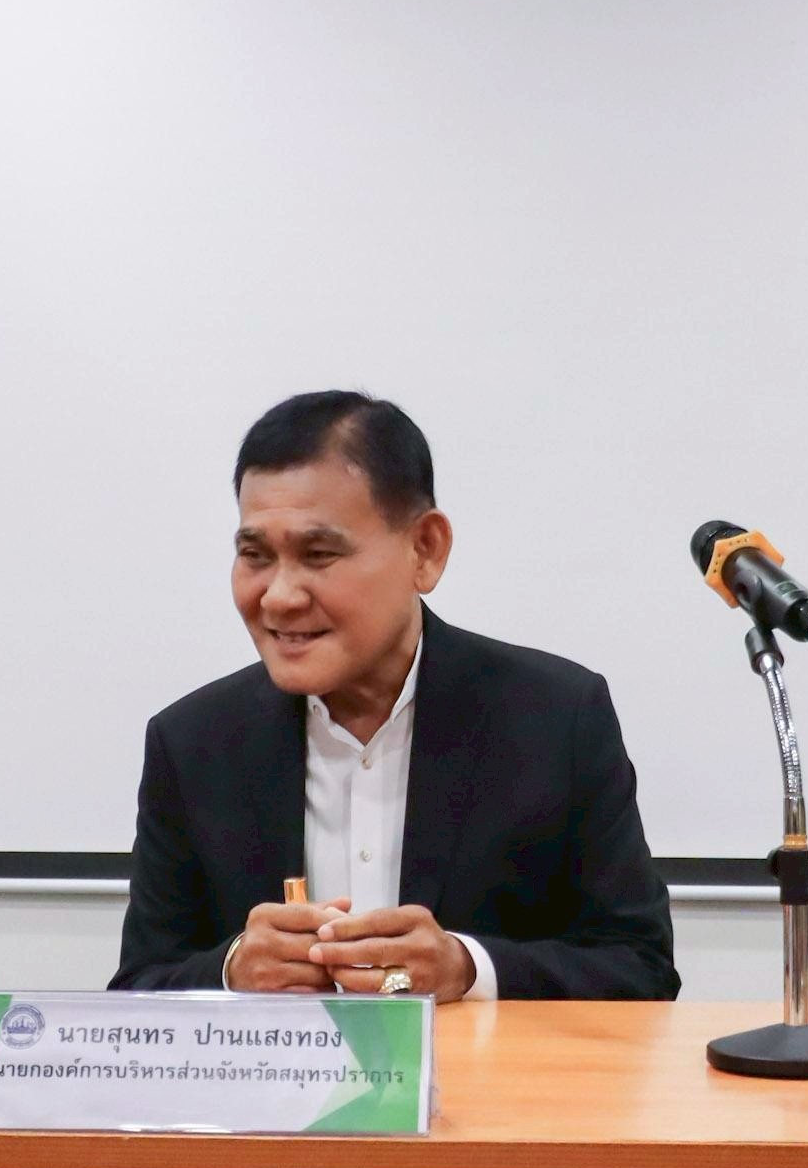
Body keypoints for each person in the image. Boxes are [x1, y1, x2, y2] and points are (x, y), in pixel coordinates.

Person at [111, 390, 677, 1002]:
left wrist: (468, 970)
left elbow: (641, 969)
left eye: (318, 555)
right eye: (255, 555)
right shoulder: (192, 742)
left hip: (485, 1068)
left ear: (425, 550)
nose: (278, 596)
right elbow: (139, 987)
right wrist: (232, 970)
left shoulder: (556, 718)